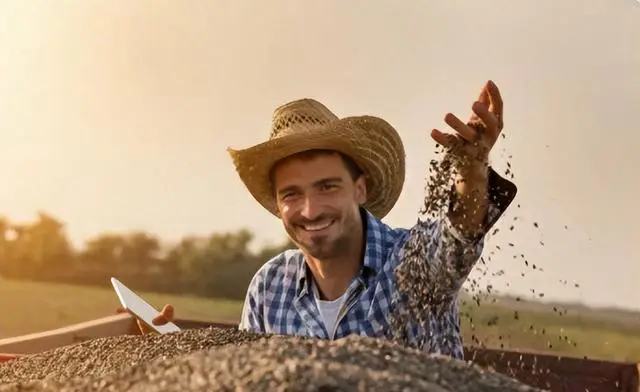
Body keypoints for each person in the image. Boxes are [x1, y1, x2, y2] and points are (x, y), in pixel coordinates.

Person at [134, 80, 517, 360]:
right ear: (278, 205)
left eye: (327, 187)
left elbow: (457, 241)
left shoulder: (412, 264)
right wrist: (173, 351)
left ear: (360, 189)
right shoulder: (270, 288)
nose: (310, 210)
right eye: (292, 195)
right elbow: (249, 379)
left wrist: (471, 172)